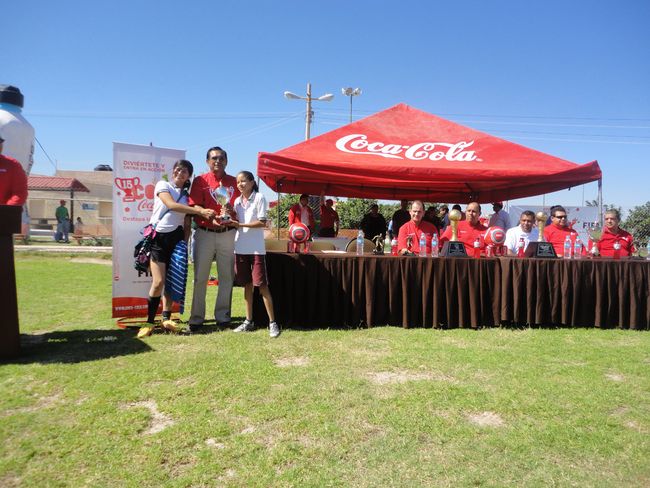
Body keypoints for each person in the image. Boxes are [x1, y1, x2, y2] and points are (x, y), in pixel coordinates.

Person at [137, 159, 216, 338]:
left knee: (173, 281)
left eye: (185, 171)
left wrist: (184, 242)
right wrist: (201, 211)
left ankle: (166, 319)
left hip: (177, 240)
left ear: (189, 176)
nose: (180, 173)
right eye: (178, 170)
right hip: (159, 239)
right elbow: (171, 205)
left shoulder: (188, 196)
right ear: (173, 171)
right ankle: (148, 323)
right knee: (158, 282)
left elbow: (187, 223)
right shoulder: (163, 184)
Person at [188, 146, 240, 332]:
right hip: (204, 234)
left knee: (226, 277)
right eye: (213, 158)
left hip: (227, 235)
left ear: (226, 161)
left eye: (221, 158)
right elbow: (193, 206)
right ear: (207, 161)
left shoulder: (235, 182)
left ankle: (223, 317)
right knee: (200, 278)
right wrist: (206, 214)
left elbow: (240, 208)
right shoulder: (200, 180)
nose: (217, 161)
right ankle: (196, 318)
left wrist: (231, 215)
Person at [226, 171, 280, 338]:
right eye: (238, 182)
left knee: (262, 286)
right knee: (247, 286)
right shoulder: (236, 200)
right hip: (240, 248)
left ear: (251, 182)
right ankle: (248, 321)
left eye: (243, 181)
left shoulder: (259, 197)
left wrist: (238, 224)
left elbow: (262, 222)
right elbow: (234, 218)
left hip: (256, 249)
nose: (240, 184)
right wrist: (228, 212)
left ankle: (273, 323)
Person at [0, 134, 28, 206]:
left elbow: (20, 192)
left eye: (1, 142)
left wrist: (6, 210)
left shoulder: (13, 165)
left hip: (4, 215)